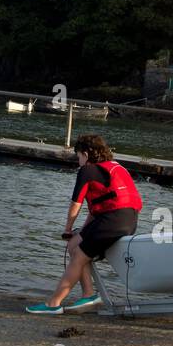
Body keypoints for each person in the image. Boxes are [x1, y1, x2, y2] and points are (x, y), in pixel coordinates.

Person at [27, 134, 142, 315]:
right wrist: (80, 231)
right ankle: (89, 295)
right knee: (74, 245)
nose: (78, 160)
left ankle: (53, 303)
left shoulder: (87, 171)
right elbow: (96, 209)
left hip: (112, 221)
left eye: (78, 155)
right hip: (128, 220)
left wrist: (67, 229)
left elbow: (76, 204)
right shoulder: (114, 167)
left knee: (80, 256)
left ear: (86, 155)